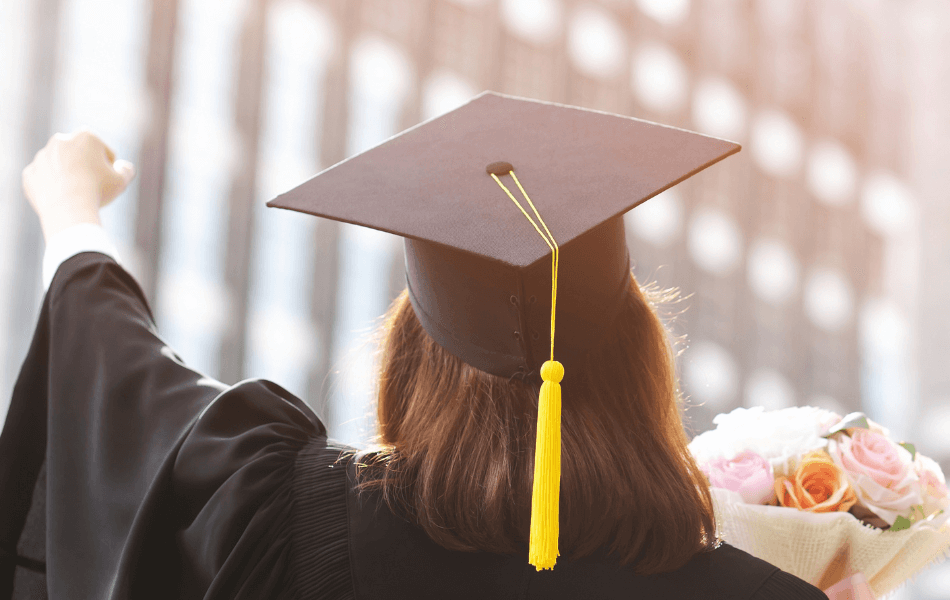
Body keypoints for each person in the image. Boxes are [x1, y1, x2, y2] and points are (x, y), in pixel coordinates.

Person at [1, 93, 829, 599]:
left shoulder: (285, 515)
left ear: (410, 356)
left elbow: (126, 383)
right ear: (643, 357)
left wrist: (75, 217)